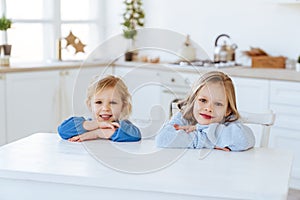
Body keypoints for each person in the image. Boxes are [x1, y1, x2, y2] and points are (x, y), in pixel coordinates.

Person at [155, 71, 255, 151]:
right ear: (194, 100)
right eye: (203, 100)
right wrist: (211, 141)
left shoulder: (229, 120)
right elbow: (163, 139)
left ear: (227, 110)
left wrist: (198, 128)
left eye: (218, 104)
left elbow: (244, 139)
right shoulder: (184, 116)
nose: (209, 108)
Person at [58, 75, 141, 142]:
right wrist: (97, 124)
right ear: (90, 105)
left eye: (112, 103)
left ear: (123, 106)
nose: (105, 108)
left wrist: (98, 133)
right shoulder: (87, 125)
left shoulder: (122, 126)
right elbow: (62, 130)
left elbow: (135, 135)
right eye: (98, 102)